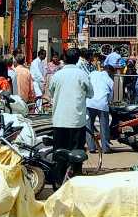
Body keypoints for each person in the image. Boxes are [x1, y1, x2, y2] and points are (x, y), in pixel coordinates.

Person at [47, 49, 91, 179]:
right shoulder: (82, 75)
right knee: (77, 151)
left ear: (64, 59)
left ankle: (59, 178)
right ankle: (76, 177)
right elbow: (90, 93)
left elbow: (51, 91)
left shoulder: (57, 75)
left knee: (60, 151)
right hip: (77, 120)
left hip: (59, 120)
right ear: (78, 59)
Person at [86, 58, 116, 153]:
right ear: (110, 72)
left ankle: (91, 147)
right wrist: (109, 102)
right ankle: (105, 148)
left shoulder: (93, 73)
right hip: (102, 104)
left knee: (89, 126)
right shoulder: (110, 80)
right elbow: (111, 96)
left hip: (89, 102)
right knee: (104, 127)